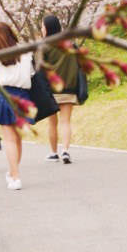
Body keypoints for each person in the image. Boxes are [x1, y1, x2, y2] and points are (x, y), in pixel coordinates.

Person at [0, 22, 33, 190]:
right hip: (24, 96)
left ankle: (15, 176)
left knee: (10, 140)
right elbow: (32, 73)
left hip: (6, 96)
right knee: (17, 138)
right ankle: (13, 173)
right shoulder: (25, 50)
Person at [39, 14, 81, 164]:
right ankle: (65, 151)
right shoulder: (71, 45)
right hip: (69, 89)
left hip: (51, 91)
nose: (41, 29)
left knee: (52, 123)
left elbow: (40, 69)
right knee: (66, 122)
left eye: (42, 26)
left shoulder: (44, 46)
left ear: (47, 28)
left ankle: (53, 153)